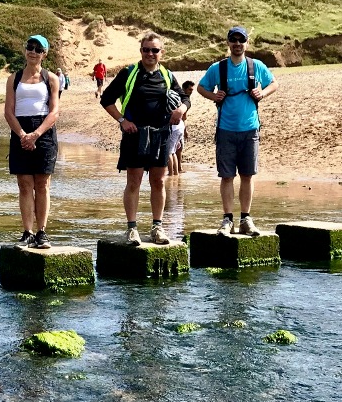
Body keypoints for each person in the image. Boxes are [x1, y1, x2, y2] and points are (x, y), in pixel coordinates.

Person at [100, 32, 190, 245]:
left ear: (162, 53)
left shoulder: (167, 75)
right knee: (134, 182)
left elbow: (185, 97)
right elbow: (106, 99)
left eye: (155, 50)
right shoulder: (129, 73)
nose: (150, 53)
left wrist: (181, 109)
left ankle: (157, 227)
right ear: (141, 51)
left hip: (161, 135)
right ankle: (132, 229)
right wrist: (122, 120)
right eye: (146, 49)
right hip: (135, 135)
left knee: (158, 181)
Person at [197, 26, 278, 236]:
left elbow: (274, 84)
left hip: (250, 129)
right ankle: (227, 220)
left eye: (241, 41)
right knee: (226, 176)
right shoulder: (218, 68)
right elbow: (201, 87)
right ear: (228, 43)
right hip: (225, 129)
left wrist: (263, 92)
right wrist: (213, 96)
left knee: (248, 175)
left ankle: (246, 219)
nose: (237, 44)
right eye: (233, 40)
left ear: (246, 43)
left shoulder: (256, 65)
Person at [4, 35, 61, 249]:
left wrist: (36, 134)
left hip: (43, 131)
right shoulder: (14, 78)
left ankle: (41, 232)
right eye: (30, 47)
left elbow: (54, 111)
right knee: (24, 184)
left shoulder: (51, 78)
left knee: (42, 184)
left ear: (44, 54)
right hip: (20, 129)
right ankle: (27, 232)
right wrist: (22, 135)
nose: (33, 51)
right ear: (25, 50)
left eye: (38, 49)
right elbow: (8, 111)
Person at [167, 80, 195, 175]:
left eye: (192, 90)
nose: (191, 92)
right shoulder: (182, 99)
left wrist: (185, 129)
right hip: (180, 127)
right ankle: (177, 171)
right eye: (190, 89)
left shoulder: (179, 99)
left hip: (177, 127)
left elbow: (183, 116)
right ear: (184, 89)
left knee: (171, 151)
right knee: (175, 150)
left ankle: (172, 173)